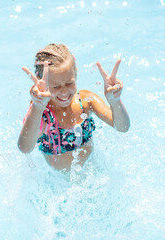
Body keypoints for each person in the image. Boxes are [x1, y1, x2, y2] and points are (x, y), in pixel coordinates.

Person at [18, 43, 130, 171]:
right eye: (56, 86)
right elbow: (25, 148)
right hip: (58, 182)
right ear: (41, 82)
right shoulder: (42, 113)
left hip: (91, 171)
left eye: (69, 83)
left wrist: (115, 101)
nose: (64, 91)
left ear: (75, 74)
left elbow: (122, 127)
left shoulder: (87, 101)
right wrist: (37, 107)